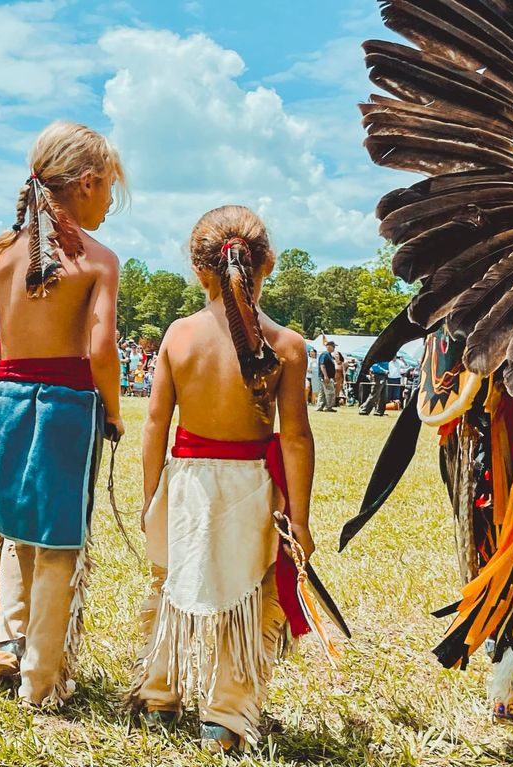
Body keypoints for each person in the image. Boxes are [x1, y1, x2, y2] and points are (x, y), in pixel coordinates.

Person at [130, 206, 315, 752]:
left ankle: (160, 694)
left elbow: (155, 425)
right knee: (252, 596)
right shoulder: (287, 345)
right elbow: (298, 438)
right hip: (253, 485)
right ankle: (227, 717)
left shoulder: (178, 336)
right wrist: (299, 519)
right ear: (268, 266)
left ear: (198, 269)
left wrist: (151, 499)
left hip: (186, 481)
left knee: (172, 587)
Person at [0, 120, 126, 707]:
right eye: (108, 188)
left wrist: (7, 387)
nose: (110, 203)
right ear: (85, 184)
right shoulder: (98, 260)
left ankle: (7, 640)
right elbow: (102, 349)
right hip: (69, 408)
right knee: (61, 539)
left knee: (16, 528)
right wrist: (112, 410)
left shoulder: (2, 256)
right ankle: (41, 679)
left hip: (11, 402)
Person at [316, 341, 337, 412]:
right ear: (329, 346)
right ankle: (328, 407)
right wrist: (325, 376)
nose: (334, 348)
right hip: (325, 377)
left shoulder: (329, 355)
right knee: (330, 392)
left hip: (326, 377)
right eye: (333, 346)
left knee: (322, 393)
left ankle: (320, 406)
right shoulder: (325, 354)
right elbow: (322, 365)